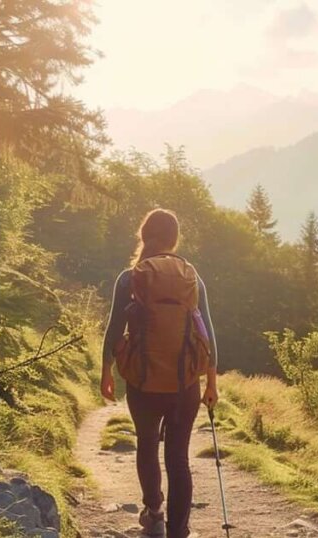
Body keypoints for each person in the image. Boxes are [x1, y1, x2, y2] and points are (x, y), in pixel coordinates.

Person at [100, 209, 219, 538]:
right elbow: (207, 333)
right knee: (178, 458)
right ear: (174, 239)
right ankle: (178, 532)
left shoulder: (130, 277)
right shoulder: (191, 276)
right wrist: (210, 382)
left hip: (143, 381)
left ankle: (154, 514)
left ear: (144, 236)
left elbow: (113, 331)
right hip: (185, 384)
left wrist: (105, 371)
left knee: (147, 445)